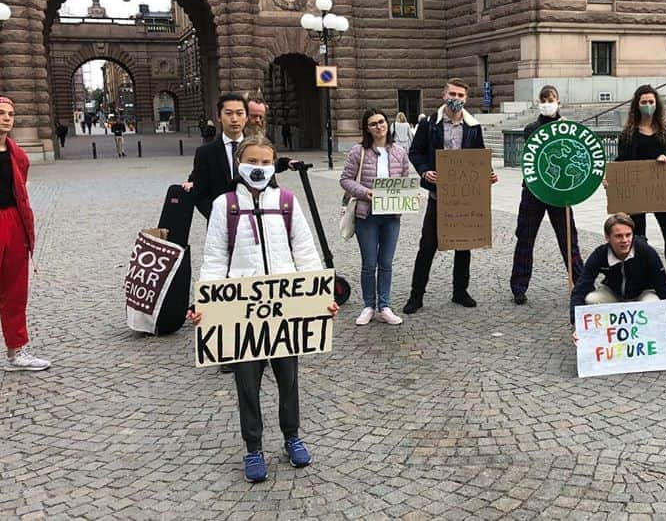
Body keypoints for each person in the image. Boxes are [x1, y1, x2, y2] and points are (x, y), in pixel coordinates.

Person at [188, 135, 338, 483]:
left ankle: (291, 436)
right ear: (239, 164)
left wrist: (320, 299)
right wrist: (204, 305)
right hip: (241, 312)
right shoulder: (225, 205)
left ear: (275, 166)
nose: (259, 168)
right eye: (252, 161)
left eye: (265, 162)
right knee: (247, 385)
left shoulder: (286, 201)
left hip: (286, 308)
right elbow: (214, 259)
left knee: (289, 380)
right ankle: (253, 446)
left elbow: (305, 251)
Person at [403, 78, 498, 314]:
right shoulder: (429, 124)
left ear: (466, 99)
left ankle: (460, 291)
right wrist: (425, 171)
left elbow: (479, 157)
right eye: (452, 94)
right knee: (427, 246)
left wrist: (488, 175)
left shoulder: (473, 127)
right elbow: (415, 152)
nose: (456, 99)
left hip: (464, 198)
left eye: (460, 96)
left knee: (463, 245)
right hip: (438, 196)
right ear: (443, 95)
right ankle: (416, 296)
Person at [0, 95, 51, 371]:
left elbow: (20, 192)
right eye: (0, 112)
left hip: (13, 223)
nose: (7, 118)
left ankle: (16, 351)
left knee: (15, 292)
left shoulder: (18, 155)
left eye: (10, 113)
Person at [612, 84, 666, 297]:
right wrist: (610, 179)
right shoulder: (629, 133)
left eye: (651, 102)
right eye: (644, 102)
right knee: (638, 237)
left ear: (656, 104)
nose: (648, 105)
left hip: (661, 191)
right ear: (637, 105)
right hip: (639, 192)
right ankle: (642, 278)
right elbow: (621, 161)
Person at [509, 86, 584, 305]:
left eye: (551, 99)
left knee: (568, 239)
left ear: (558, 102)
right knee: (525, 237)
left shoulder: (568, 127)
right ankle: (519, 287)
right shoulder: (531, 128)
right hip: (534, 190)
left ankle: (581, 283)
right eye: (543, 100)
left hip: (560, 192)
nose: (547, 103)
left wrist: (566, 129)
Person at [339, 108, 409, 326]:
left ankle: (384, 306)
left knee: (386, 262)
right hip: (366, 214)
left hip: (391, 215)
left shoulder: (399, 152)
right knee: (369, 263)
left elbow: (404, 179)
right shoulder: (358, 151)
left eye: (381, 122)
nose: (379, 126)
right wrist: (364, 192)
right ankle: (369, 305)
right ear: (367, 129)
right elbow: (346, 179)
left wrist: (408, 196)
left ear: (387, 124)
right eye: (373, 124)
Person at [569, 213, 666, 324]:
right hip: (614, 294)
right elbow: (581, 287)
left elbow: (664, 288)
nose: (625, 240)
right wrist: (576, 322)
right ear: (607, 237)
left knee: (653, 303)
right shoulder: (600, 254)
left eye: (628, 235)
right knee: (591, 299)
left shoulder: (646, 251)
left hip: (642, 294)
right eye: (618, 236)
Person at [187, 93, 249, 220]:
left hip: (254, 222)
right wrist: (218, 218)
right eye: (228, 113)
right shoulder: (205, 153)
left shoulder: (259, 149)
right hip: (220, 224)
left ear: (246, 117)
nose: (234, 119)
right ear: (219, 117)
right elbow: (200, 194)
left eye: (239, 113)